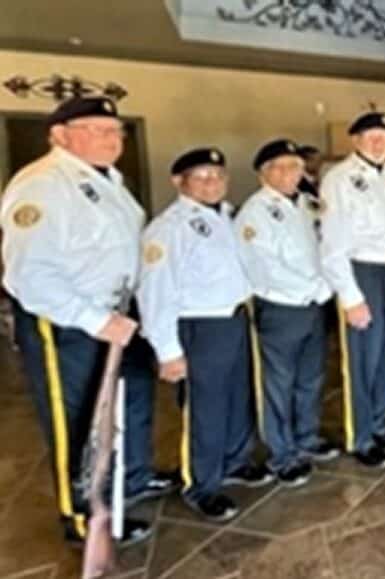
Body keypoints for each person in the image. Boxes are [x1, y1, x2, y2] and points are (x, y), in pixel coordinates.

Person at [1, 96, 174, 547]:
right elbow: (28, 275)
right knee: (79, 421)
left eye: (116, 131)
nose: (112, 139)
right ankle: (83, 517)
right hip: (71, 324)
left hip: (118, 313)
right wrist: (93, 320)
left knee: (131, 402)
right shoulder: (42, 184)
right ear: (59, 135)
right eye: (97, 129)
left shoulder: (111, 179)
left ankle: (132, 479)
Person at [138, 147, 273, 522]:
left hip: (233, 319)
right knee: (205, 410)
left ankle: (235, 460)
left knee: (237, 398)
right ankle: (202, 484)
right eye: (202, 176)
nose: (213, 183)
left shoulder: (227, 216)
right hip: (198, 326)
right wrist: (167, 350)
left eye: (218, 175)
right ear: (180, 182)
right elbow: (155, 291)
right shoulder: (168, 228)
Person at [236, 139, 338, 487]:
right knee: (278, 383)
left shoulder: (310, 205)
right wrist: (316, 288)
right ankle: (282, 454)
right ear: (263, 174)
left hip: (314, 305)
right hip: (282, 307)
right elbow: (263, 266)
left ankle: (306, 437)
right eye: (279, 167)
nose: (289, 173)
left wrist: (323, 289)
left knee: (310, 378)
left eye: (294, 166)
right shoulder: (254, 213)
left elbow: (328, 249)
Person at [320, 112, 385, 468]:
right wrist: (351, 296)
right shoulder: (340, 180)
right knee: (364, 359)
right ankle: (360, 436)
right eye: (371, 136)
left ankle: (381, 423)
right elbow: (331, 245)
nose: (379, 142)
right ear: (355, 141)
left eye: (384, 136)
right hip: (364, 272)